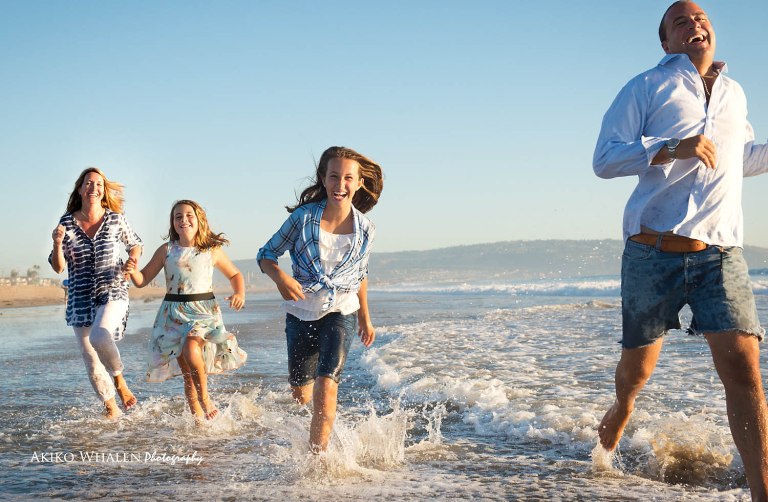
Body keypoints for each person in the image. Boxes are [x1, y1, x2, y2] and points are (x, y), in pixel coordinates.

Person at [593, 2, 768, 497]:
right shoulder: (646, 86)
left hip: (720, 253)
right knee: (637, 371)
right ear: (666, 41)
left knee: (743, 366)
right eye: (681, 21)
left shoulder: (735, 94)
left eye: (702, 18)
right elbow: (604, 159)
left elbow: (742, 159)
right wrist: (671, 146)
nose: (695, 24)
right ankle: (623, 405)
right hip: (653, 252)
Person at [257, 146, 384, 452]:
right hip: (301, 311)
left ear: (359, 183)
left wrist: (365, 317)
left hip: (341, 309)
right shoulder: (303, 218)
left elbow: (360, 275)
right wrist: (281, 278)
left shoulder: (365, 229)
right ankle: (319, 424)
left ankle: (318, 461)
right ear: (324, 180)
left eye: (348, 178)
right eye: (334, 176)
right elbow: (266, 255)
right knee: (302, 393)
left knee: (327, 387)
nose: (340, 184)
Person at [126, 199, 247, 422]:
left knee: (192, 350)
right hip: (173, 316)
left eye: (189, 215)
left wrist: (239, 293)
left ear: (199, 219)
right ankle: (199, 424)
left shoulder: (211, 250)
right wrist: (132, 271)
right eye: (178, 217)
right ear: (173, 223)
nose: (184, 220)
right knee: (188, 376)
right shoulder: (167, 250)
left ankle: (206, 399)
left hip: (203, 312)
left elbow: (235, 275)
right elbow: (142, 280)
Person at [50, 167, 143, 419]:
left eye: (99, 184)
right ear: (80, 189)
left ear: (103, 191)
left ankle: (120, 381)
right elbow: (58, 266)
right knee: (90, 358)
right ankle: (111, 410)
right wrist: (57, 243)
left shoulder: (115, 219)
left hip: (112, 288)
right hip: (79, 297)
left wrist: (132, 261)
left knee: (100, 338)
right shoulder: (66, 223)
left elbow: (135, 245)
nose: (93, 188)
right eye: (88, 183)